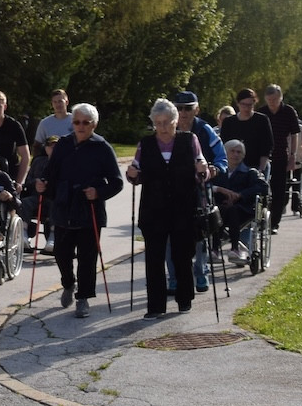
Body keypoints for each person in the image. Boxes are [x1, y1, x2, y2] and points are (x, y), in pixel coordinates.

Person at [33, 103, 122, 319]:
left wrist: (98, 192)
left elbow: (117, 182)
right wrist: (43, 184)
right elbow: (50, 173)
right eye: (77, 122)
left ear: (94, 124)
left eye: (85, 123)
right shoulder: (63, 144)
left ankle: (83, 298)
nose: (80, 126)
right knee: (62, 254)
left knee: (87, 257)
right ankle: (68, 284)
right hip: (64, 207)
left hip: (89, 209)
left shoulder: (102, 147)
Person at [126, 100, 208, 319]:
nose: (162, 127)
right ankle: (155, 305)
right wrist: (132, 174)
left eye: (167, 123)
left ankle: (184, 299)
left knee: (183, 254)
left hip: (183, 207)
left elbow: (201, 167)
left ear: (176, 121)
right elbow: (137, 170)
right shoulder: (146, 143)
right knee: (154, 257)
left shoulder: (189, 140)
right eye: (158, 123)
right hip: (154, 209)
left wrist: (203, 170)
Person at [171, 92, 226, 294]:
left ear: (197, 109)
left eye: (187, 108)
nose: (182, 113)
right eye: (178, 108)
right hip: (172, 191)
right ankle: (174, 277)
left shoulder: (205, 130)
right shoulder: (167, 127)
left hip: (199, 190)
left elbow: (221, 158)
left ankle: (201, 273)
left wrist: (214, 170)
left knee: (200, 233)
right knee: (171, 236)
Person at [30, 91, 74, 251]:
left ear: (67, 101)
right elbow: (37, 145)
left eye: (61, 101)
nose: (58, 104)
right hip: (50, 165)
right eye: (55, 101)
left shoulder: (74, 120)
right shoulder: (45, 123)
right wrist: (39, 165)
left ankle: (55, 236)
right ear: (52, 103)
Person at [259, 84, 302, 230]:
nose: (272, 102)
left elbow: (294, 134)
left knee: (279, 190)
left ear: (280, 98)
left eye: (275, 99)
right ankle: (261, 219)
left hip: (281, 155)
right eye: (269, 99)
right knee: (261, 188)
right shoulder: (261, 113)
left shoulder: (288, 111)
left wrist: (293, 155)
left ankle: (274, 223)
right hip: (263, 156)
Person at [211, 140, 266, 256]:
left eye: (239, 152)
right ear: (225, 153)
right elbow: (206, 186)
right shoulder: (218, 172)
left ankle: (235, 248)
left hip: (243, 210)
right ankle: (215, 249)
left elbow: (263, 187)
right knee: (219, 211)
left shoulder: (250, 172)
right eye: (232, 151)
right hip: (222, 209)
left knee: (232, 210)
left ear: (243, 155)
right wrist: (220, 190)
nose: (236, 154)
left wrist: (240, 195)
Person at [219, 88, 275, 178]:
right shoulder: (229, 122)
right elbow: (224, 145)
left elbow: (267, 146)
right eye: (243, 104)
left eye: (250, 105)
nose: (246, 108)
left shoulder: (262, 120)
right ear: (238, 104)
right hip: (234, 167)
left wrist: (261, 170)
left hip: (256, 164)